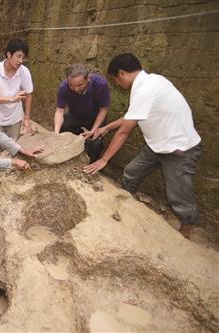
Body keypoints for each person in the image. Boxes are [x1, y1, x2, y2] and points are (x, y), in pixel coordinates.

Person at [83, 53, 202, 239]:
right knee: (131, 172)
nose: (115, 84)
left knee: (177, 193)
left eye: (114, 79)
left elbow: (124, 131)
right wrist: (106, 127)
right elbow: (131, 115)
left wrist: (104, 159)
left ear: (121, 73)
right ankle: (126, 204)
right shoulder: (152, 81)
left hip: (178, 148)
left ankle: (187, 227)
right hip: (157, 144)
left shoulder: (144, 89)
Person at [54, 63, 110, 163]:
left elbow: (103, 110)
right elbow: (59, 111)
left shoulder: (100, 84)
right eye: (72, 86)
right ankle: (65, 157)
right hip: (76, 115)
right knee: (63, 126)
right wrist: (56, 133)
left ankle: (89, 165)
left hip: (96, 118)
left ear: (88, 78)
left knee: (96, 143)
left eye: (80, 85)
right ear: (67, 80)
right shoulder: (64, 87)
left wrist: (93, 130)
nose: (76, 89)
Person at [0, 38, 33, 150]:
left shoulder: (24, 71)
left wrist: (26, 118)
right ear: (9, 54)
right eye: (18, 56)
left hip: (15, 118)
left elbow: (29, 96)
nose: (21, 61)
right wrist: (12, 99)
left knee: (12, 149)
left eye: (23, 57)